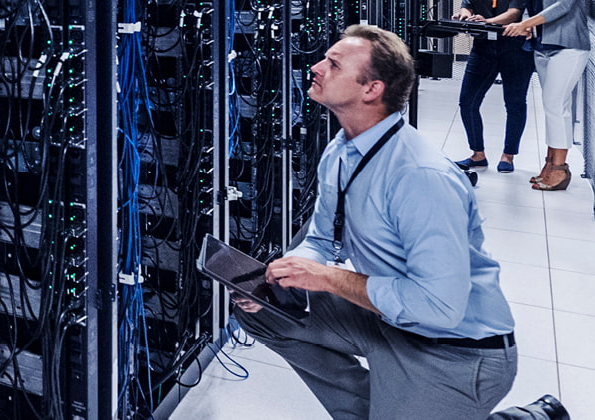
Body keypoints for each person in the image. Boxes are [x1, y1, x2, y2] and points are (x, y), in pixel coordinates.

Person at [228, 25, 567, 419]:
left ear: (371, 89)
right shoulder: (342, 151)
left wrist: (325, 279)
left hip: (457, 352)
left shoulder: (420, 177)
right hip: (390, 321)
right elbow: (320, 238)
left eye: (333, 65)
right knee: (266, 315)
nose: (316, 68)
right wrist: (287, 281)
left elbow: (440, 308)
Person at [503, 0, 590, 190]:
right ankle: (550, 163)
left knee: (555, 105)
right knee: (553, 107)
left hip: (568, 46)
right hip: (542, 46)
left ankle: (559, 169)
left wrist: (525, 24)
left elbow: (563, 6)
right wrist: (527, 26)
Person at [452, 0, 536, 174]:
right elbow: (467, 4)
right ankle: (478, 154)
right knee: (467, 102)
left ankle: (508, 155)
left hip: (515, 45)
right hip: (483, 45)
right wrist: (465, 15)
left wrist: (487, 22)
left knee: (515, 103)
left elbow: (514, 12)